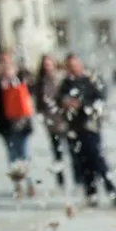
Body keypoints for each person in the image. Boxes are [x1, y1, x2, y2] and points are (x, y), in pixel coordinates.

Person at [59, 53, 116, 208]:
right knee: (82, 162)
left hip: (90, 126)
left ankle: (111, 191)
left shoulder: (90, 80)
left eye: (75, 65)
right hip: (74, 128)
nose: (73, 69)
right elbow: (59, 99)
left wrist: (82, 104)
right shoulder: (66, 83)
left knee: (98, 160)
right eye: (70, 66)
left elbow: (100, 98)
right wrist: (66, 103)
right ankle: (91, 193)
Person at [0, 52, 35, 197]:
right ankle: (17, 185)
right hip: (6, 124)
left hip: (22, 123)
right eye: (2, 62)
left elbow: (31, 87)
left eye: (8, 62)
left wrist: (19, 77)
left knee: (25, 154)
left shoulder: (20, 77)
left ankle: (30, 183)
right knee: (12, 155)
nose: (5, 66)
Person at [35, 55, 79, 190]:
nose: (48, 67)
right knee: (57, 153)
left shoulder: (61, 78)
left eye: (50, 64)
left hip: (65, 120)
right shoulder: (41, 82)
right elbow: (39, 103)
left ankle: (78, 179)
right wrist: (43, 117)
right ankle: (60, 180)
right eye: (45, 64)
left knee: (73, 151)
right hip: (51, 122)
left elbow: (67, 95)